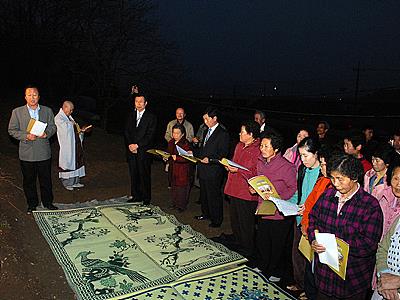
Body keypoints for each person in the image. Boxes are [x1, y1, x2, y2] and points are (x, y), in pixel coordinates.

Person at [308, 154, 383, 299]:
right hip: (324, 275)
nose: (335, 183)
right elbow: (313, 219)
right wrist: (313, 238)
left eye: (340, 179)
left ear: (354, 178)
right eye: (333, 178)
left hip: (351, 279)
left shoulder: (369, 205)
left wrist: (339, 246)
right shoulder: (327, 196)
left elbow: (369, 244)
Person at [249, 129, 297, 283]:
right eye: (261, 146)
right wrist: (254, 189)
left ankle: (276, 270)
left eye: (266, 146)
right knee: (262, 239)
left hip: (279, 211)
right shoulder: (261, 161)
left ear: (276, 149)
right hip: (264, 208)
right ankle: (262, 265)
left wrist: (278, 198)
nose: (262, 149)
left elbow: (293, 188)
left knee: (277, 243)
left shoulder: (287, 167)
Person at [8, 85, 58, 213]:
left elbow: (53, 126)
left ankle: (47, 203)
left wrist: (47, 133)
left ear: (39, 97)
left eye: (34, 95)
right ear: (25, 97)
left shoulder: (47, 111)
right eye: (29, 95)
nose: (32, 97)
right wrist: (26, 136)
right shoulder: (17, 112)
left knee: (46, 180)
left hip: (43, 152)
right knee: (29, 181)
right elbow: (11, 130)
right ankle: (32, 204)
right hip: (26, 153)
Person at [223, 120, 260, 258]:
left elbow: (256, 171)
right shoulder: (239, 145)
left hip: (246, 192)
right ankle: (239, 245)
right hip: (234, 188)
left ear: (251, 134)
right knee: (235, 221)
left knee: (246, 223)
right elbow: (235, 163)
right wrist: (229, 166)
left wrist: (237, 170)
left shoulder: (258, 149)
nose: (240, 134)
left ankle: (247, 250)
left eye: (243, 132)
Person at [300, 146, 333, 300]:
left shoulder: (334, 186)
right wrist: (305, 225)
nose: (322, 167)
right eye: (322, 163)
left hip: (324, 237)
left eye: (325, 164)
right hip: (311, 231)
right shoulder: (321, 181)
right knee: (310, 267)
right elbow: (309, 205)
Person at [290, 137, 322, 294]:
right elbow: (299, 193)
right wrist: (288, 204)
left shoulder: (323, 174)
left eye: (306, 156)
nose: (302, 160)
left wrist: (308, 209)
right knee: (297, 253)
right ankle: (299, 284)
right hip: (298, 218)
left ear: (316, 154)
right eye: (300, 156)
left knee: (311, 258)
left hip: (313, 222)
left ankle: (310, 290)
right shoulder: (302, 170)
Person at [193, 106, 229, 228]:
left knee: (214, 195)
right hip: (203, 168)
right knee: (204, 194)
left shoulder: (222, 133)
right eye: (204, 119)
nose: (205, 122)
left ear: (214, 118)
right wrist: (193, 152)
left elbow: (223, 153)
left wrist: (211, 160)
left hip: (214, 170)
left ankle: (216, 219)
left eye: (207, 119)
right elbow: (203, 149)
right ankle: (206, 213)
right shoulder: (205, 131)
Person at [124, 92, 157, 204]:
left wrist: (137, 145)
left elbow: (150, 135)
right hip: (131, 150)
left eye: (141, 102)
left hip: (143, 151)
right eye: (136, 101)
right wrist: (130, 145)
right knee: (134, 174)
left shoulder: (151, 117)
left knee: (144, 174)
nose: (138, 104)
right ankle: (135, 196)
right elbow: (127, 131)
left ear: (145, 103)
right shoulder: (131, 115)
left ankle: (146, 198)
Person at [55, 101, 90, 191]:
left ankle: (75, 181)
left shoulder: (69, 117)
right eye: (70, 110)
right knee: (68, 163)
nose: (71, 112)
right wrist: (72, 125)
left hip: (75, 144)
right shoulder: (59, 118)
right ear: (64, 107)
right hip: (67, 146)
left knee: (77, 161)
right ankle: (67, 183)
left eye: (72, 110)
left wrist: (81, 131)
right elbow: (64, 129)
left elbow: (75, 129)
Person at [166, 124, 192, 212]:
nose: (175, 135)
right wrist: (165, 156)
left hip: (182, 170)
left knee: (182, 189)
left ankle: (181, 206)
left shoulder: (185, 143)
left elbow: (189, 158)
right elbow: (169, 153)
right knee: (174, 187)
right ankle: (174, 204)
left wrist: (176, 158)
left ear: (182, 134)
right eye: (173, 133)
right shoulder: (171, 142)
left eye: (177, 133)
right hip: (173, 169)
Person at [373, 215, 400, 300]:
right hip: (384, 290)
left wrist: (397, 282)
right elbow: (383, 250)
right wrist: (384, 275)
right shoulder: (398, 220)